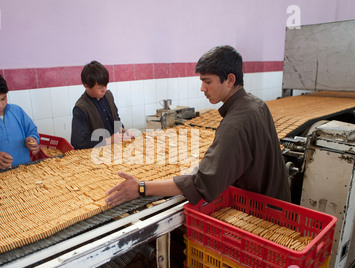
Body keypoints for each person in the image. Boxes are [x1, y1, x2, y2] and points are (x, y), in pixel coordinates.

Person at [106, 45, 291, 206]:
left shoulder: (236, 124)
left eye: (207, 81)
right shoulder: (256, 104)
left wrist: (140, 187)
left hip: (261, 215)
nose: (202, 88)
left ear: (230, 80)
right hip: (278, 203)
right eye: (202, 81)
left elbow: (202, 183)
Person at [71, 60, 135, 150]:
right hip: (95, 156)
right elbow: (79, 143)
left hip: (115, 150)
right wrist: (110, 140)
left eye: (106, 85)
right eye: (100, 87)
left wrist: (123, 131)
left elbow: (116, 120)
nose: (104, 90)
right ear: (86, 85)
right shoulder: (81, 108)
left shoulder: (108, 96)